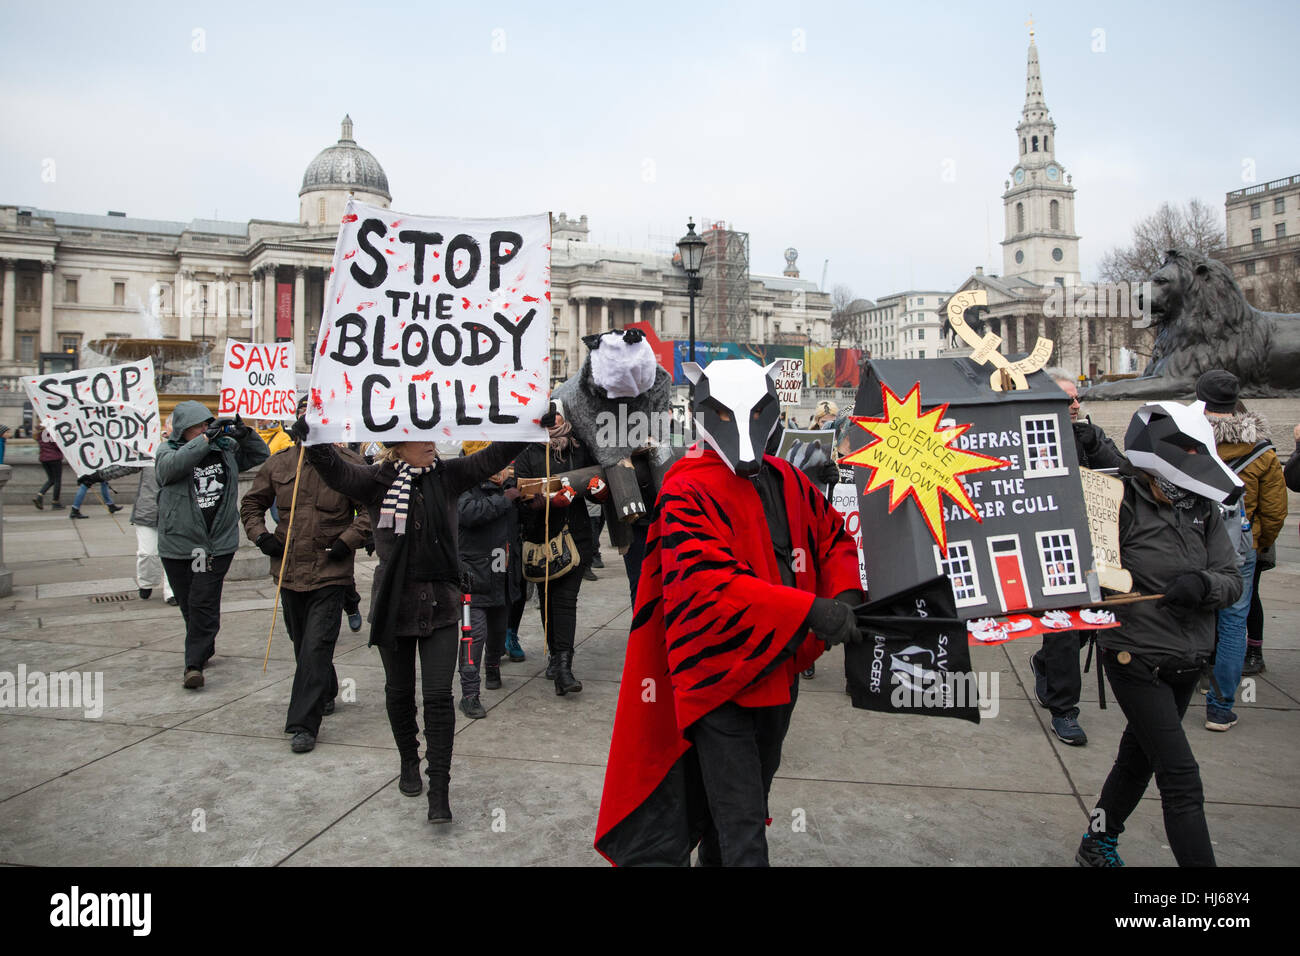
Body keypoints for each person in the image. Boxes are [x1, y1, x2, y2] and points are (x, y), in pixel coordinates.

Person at [595, 358, 864, 866]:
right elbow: (707, 582)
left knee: (741, 813)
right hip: (718, 679)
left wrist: (846, 593)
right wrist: (809, 609)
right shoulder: (685, 488)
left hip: (778, 672)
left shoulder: (786, 478)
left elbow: (833, 536)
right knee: (744, 830)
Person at [300, 421, 525, 824]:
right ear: (397, 445)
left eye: (432, 436)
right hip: (394, 604)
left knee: (439, 697)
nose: (431, 443)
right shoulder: (375, 481)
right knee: (399, 692)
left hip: (441, 605)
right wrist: (313, 438)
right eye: (420, 437)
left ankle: (439, 788)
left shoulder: (450, 475)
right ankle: (409, 760)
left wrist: (529, 426)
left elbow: (496, 455)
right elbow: (334, 469)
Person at [1076, 401, 1243, 868]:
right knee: (1181, 776)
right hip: (1136, 657)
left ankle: (1096, 842)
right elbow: (1088, 570)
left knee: (1138, 758)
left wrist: (1203, 585)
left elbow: (1232, 578)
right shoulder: (1117, 500)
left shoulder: (1203, 509)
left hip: (1188, 659)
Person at [241, 405, 371, 753]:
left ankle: (303, 723)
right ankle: (325, 689)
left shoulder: (349, 465)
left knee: (316, 645)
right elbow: (251, 504)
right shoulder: (279, 463)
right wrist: (261, 536)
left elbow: (373, 507)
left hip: (330, 572)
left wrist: (349, 540)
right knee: (304, 645)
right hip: (288, 572)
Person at [1030, 370, 1125, 745]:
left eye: (1075, 399)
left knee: (1094, 620)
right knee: (1064, 626)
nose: (1072, 405)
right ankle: (1064, 708)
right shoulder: (1032, 432)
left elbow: (1122, 471)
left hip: (1094, 541)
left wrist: (1094, 446)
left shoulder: (1092, 433)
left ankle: (1045, 664)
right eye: (1064, 399)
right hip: (1052, 542)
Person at [156, 402, 269, 689]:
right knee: (189, 604)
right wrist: (205, 441)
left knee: (203, 600)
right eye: (200, 426)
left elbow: (260, 455)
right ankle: (202, 646)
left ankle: (193, 665)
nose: (207, 429)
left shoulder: (225, 449)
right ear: (183, 430)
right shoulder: (166, 452)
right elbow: (171, 469)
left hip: (215, 544)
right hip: (180, 545)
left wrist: (246, 434)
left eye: (209, 424)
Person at [1196, 371, 1286, 729]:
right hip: (1239, 548)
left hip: (1191, 541)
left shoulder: (1186, 441)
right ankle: (1220, 706)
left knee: (1193, 611)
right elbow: (1276, 510)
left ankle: (1185, 681)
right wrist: (1257, 544)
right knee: (1234, 622)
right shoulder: (1262, 450)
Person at [514, 402, 601, 697]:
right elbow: (521, 500)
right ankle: (555, 655)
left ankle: (564, 667)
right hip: (542, 540)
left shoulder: (580, 448)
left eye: (557, 413)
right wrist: (551, 501)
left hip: (576, 539)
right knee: (548, 599)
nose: (553, 420)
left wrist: (599, 491)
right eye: (547, 416)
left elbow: (595, 487)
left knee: (565, 600)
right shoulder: (527, 452)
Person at [455, 442, 524, 718]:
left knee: (498, 630)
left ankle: (493, 668)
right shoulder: (461, 481)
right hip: (474, 575)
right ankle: (470, 694)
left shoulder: (506, 483)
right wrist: (505, 499)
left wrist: (532, 501)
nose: (503, 467)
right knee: (474, 636)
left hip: (502, 572)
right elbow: (468, 513)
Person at [131, 414, 173, 603]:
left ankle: (171, 591)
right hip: (147, 509)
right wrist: (96, 475)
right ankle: (147, 582)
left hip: (174, 512)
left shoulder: (188, 449)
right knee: (147, 553)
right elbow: (126, 465)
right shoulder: (148, 449)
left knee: (174, 555)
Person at [33, 422, 66, 510]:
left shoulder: (39, 433)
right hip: (54, 458)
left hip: (44, 459)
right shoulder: (50, 432)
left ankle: (39, 496)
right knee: (57, 480)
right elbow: (58, 445)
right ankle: (55, 502)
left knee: (51, 480)